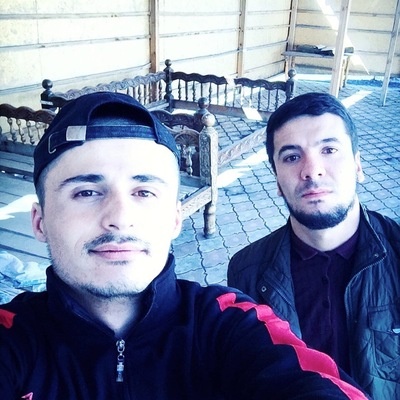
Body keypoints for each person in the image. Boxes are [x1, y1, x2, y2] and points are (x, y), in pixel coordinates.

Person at [0, 92, 368, 400]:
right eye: (86, 192)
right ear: (40, 221)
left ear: (176, 218)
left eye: (144, 192)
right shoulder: (13, 339)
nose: (119, 218)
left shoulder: (229, 323)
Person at [227, 92, 400, 399]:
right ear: (277, 180)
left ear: (358, 165)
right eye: (292, 157)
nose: (312, 170)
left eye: (329, 150)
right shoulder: (246, 271)